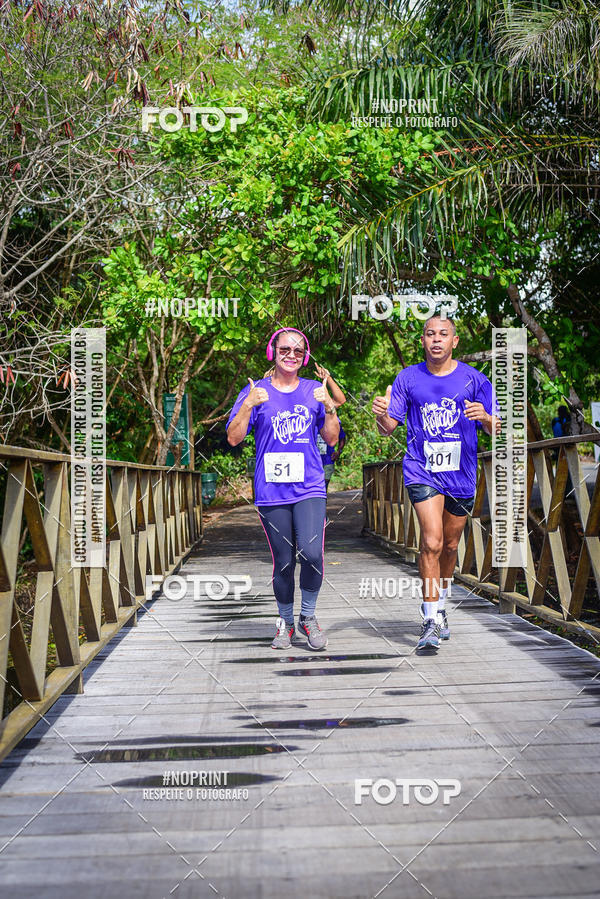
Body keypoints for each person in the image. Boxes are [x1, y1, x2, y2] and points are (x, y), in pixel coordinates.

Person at [371, 315, 500, 653]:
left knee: (451, 546)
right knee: (431, 541)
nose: (437, 339)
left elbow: (499, 428)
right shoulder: (408, 378)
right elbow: (388, 427)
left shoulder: (475, 379)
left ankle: (440, 605)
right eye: (430, 334)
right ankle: (430, 618)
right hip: (422, 470)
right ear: (423, 340)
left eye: (444, 334)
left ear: (455, 341)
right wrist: (380, 413)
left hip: (461, 473)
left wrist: (486, 418)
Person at [227, 328, 339, 651]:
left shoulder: (313, 391)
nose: (291, 354)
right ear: (272, 352)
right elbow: (234, 438)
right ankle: (285, 622)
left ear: (304, 357)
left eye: (298, 350)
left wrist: (330, 406)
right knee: (285, 560)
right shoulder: (256, 391)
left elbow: (331, 439)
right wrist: (248, 404)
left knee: (313, 553)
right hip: (271, 490)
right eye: (285, 349)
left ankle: (308, 616)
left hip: (310, 487)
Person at [317, 422, 346, 491]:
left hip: (328, 460)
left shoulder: (332, 422)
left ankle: (323, 500)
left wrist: (339, 452)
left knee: (324, 486)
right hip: (313, 461)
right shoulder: (312, 420)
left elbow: (342, 437)